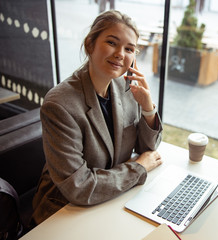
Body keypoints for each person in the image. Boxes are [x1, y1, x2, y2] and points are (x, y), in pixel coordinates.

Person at [31, 10, 163, 225]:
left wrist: (148, 108)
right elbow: (79, 187)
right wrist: (139, 168)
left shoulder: (125, 86)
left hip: (111, 198)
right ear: (90, 44)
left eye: (129, 49)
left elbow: (147, 149)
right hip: (65, 211)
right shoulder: (59, 104)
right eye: (112, 43)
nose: (121, 54)